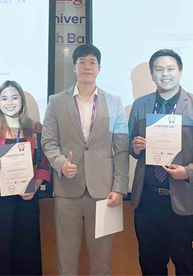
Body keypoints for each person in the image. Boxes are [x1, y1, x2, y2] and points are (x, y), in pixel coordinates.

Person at [129, 49, 193, 276]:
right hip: (148, 202)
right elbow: (131, 146)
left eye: (170, 69)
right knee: (151, 266)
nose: (165, 74)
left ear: (180, 73)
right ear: (152, 74)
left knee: (186, 267)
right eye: (159, 69)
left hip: (186, 202)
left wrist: (189, 171)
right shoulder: (140, 105)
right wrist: (135, 147)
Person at [41, 44, 129, 276]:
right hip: (67, 191)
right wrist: (60, 163)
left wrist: (119, 187)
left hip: (104, 193)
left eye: (92, 62)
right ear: (74, 67)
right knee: (66, 259)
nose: (87, 67)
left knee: (102, 261)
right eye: (82, 62)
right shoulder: (56, 102)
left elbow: (121, 148)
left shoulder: (115, 103)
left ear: (99, 68)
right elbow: (48, 141)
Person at [0, 80, 51, 275]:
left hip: (25, 200)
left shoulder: (35, 128)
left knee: (25, 255)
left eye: (14, 97)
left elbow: (44, 161)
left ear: (22, 101)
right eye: (4, 98)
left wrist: (36, 185)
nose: (9, 102)